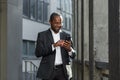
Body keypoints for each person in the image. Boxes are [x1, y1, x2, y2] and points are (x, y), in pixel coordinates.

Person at [35, 12, 76, 80]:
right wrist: (54, 45)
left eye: (60, 23)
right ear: (50, 22)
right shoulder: (42, 35)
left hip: (63, 72)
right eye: (56, 23)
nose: (58, 25)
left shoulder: (67, 36)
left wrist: (69, 49)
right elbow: (38, 53)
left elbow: (74, 55)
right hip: (48, 71)